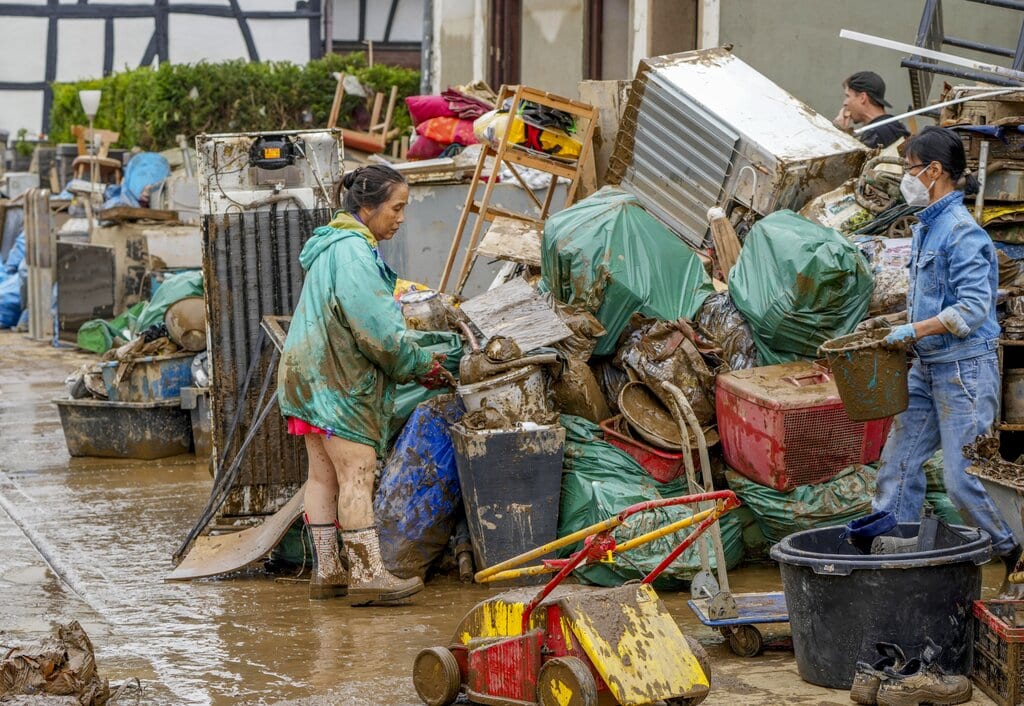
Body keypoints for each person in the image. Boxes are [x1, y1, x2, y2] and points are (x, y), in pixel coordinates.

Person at [277, 164, 455, 604]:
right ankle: (369, 575)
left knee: (322, 479)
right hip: (335, 380)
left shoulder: (333, 246)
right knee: (357, 475)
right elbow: (379, 333)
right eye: (396, 207)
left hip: (304, 375)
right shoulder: (355, 252)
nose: (400, 217)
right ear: (366, 206)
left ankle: (329, 572)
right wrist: (421, 365)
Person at [872, 126, 1021, 591]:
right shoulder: (927, 228)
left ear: (934, 172)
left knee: (963, 479)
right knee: (897, 465)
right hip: (927, 366)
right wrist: (892, 322)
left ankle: (1014, 549)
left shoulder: (962, 233)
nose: (907, 178)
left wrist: (911, 329)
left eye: (910, 169)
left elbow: (974, 309)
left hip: (964, 370)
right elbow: (932, 303)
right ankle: (889, 558)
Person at [833, 71, 910, 149]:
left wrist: (838, 133)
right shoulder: (888, 127)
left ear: (862, 98)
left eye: (848, 96)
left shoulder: (879, 132)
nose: (844, 103)